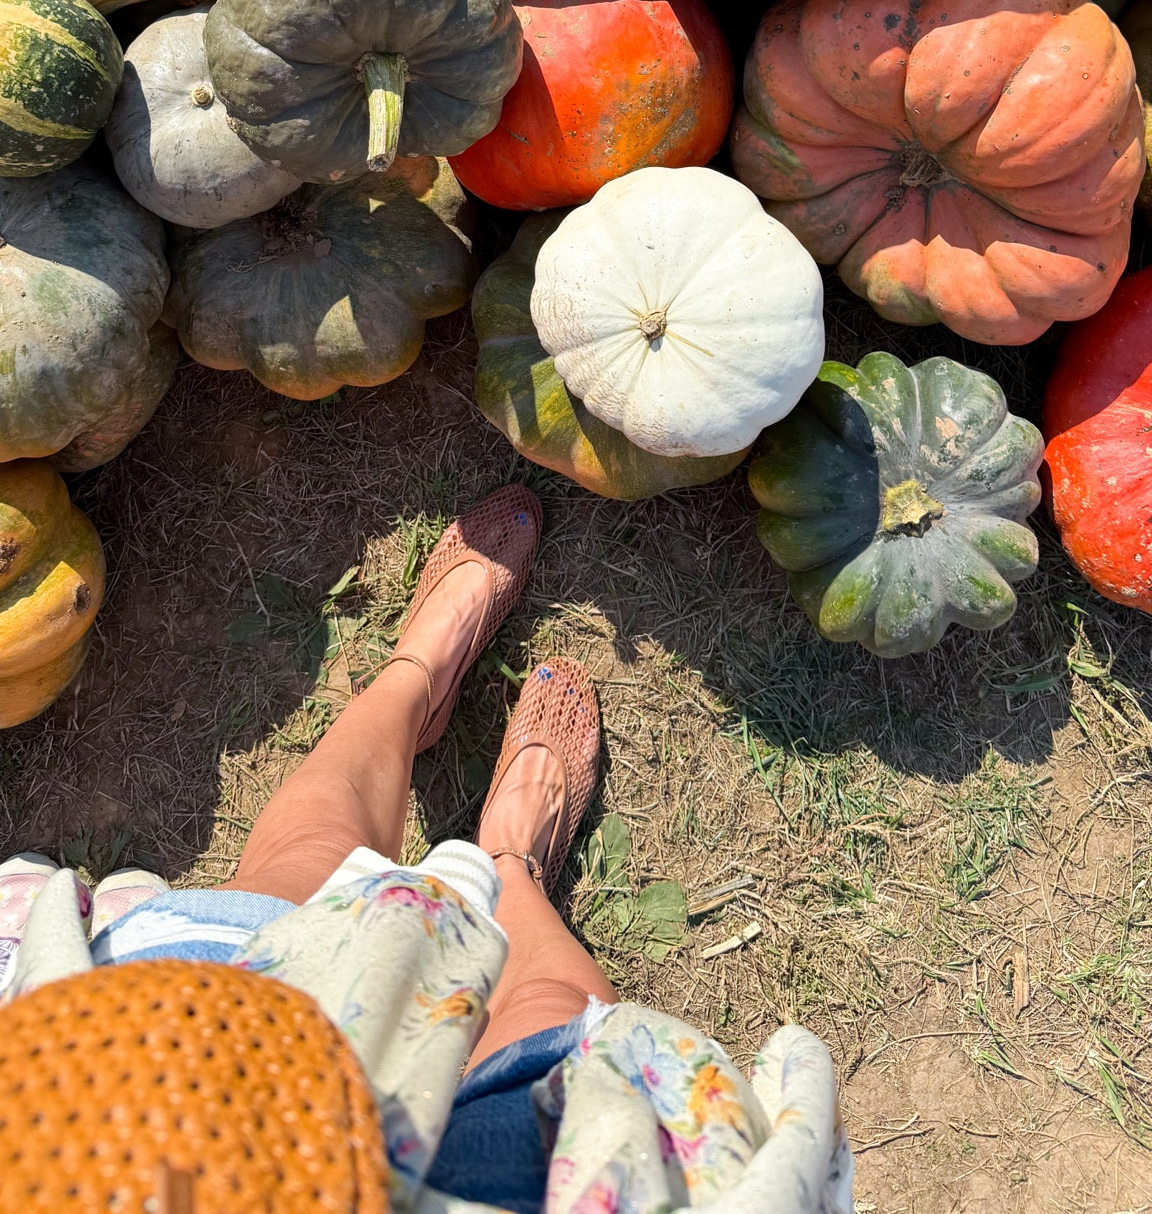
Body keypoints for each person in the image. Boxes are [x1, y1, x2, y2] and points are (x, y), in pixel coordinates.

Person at [0, 486, 854, 1214]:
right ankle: (512, 857)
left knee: (305, 867)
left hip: (135, 1117)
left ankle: (415, 677)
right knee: (556, 1026)